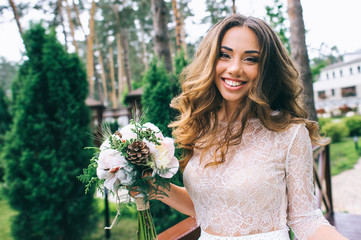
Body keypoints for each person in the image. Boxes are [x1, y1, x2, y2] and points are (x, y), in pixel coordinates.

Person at [149, 14, 348, 240]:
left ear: (266, 69)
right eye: (224, 55)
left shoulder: (289, 133)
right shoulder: (200, 125)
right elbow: (208, 207)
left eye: (250, 59)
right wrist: (151, 185)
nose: (234, 68)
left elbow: (305, 219)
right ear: (210, 59)